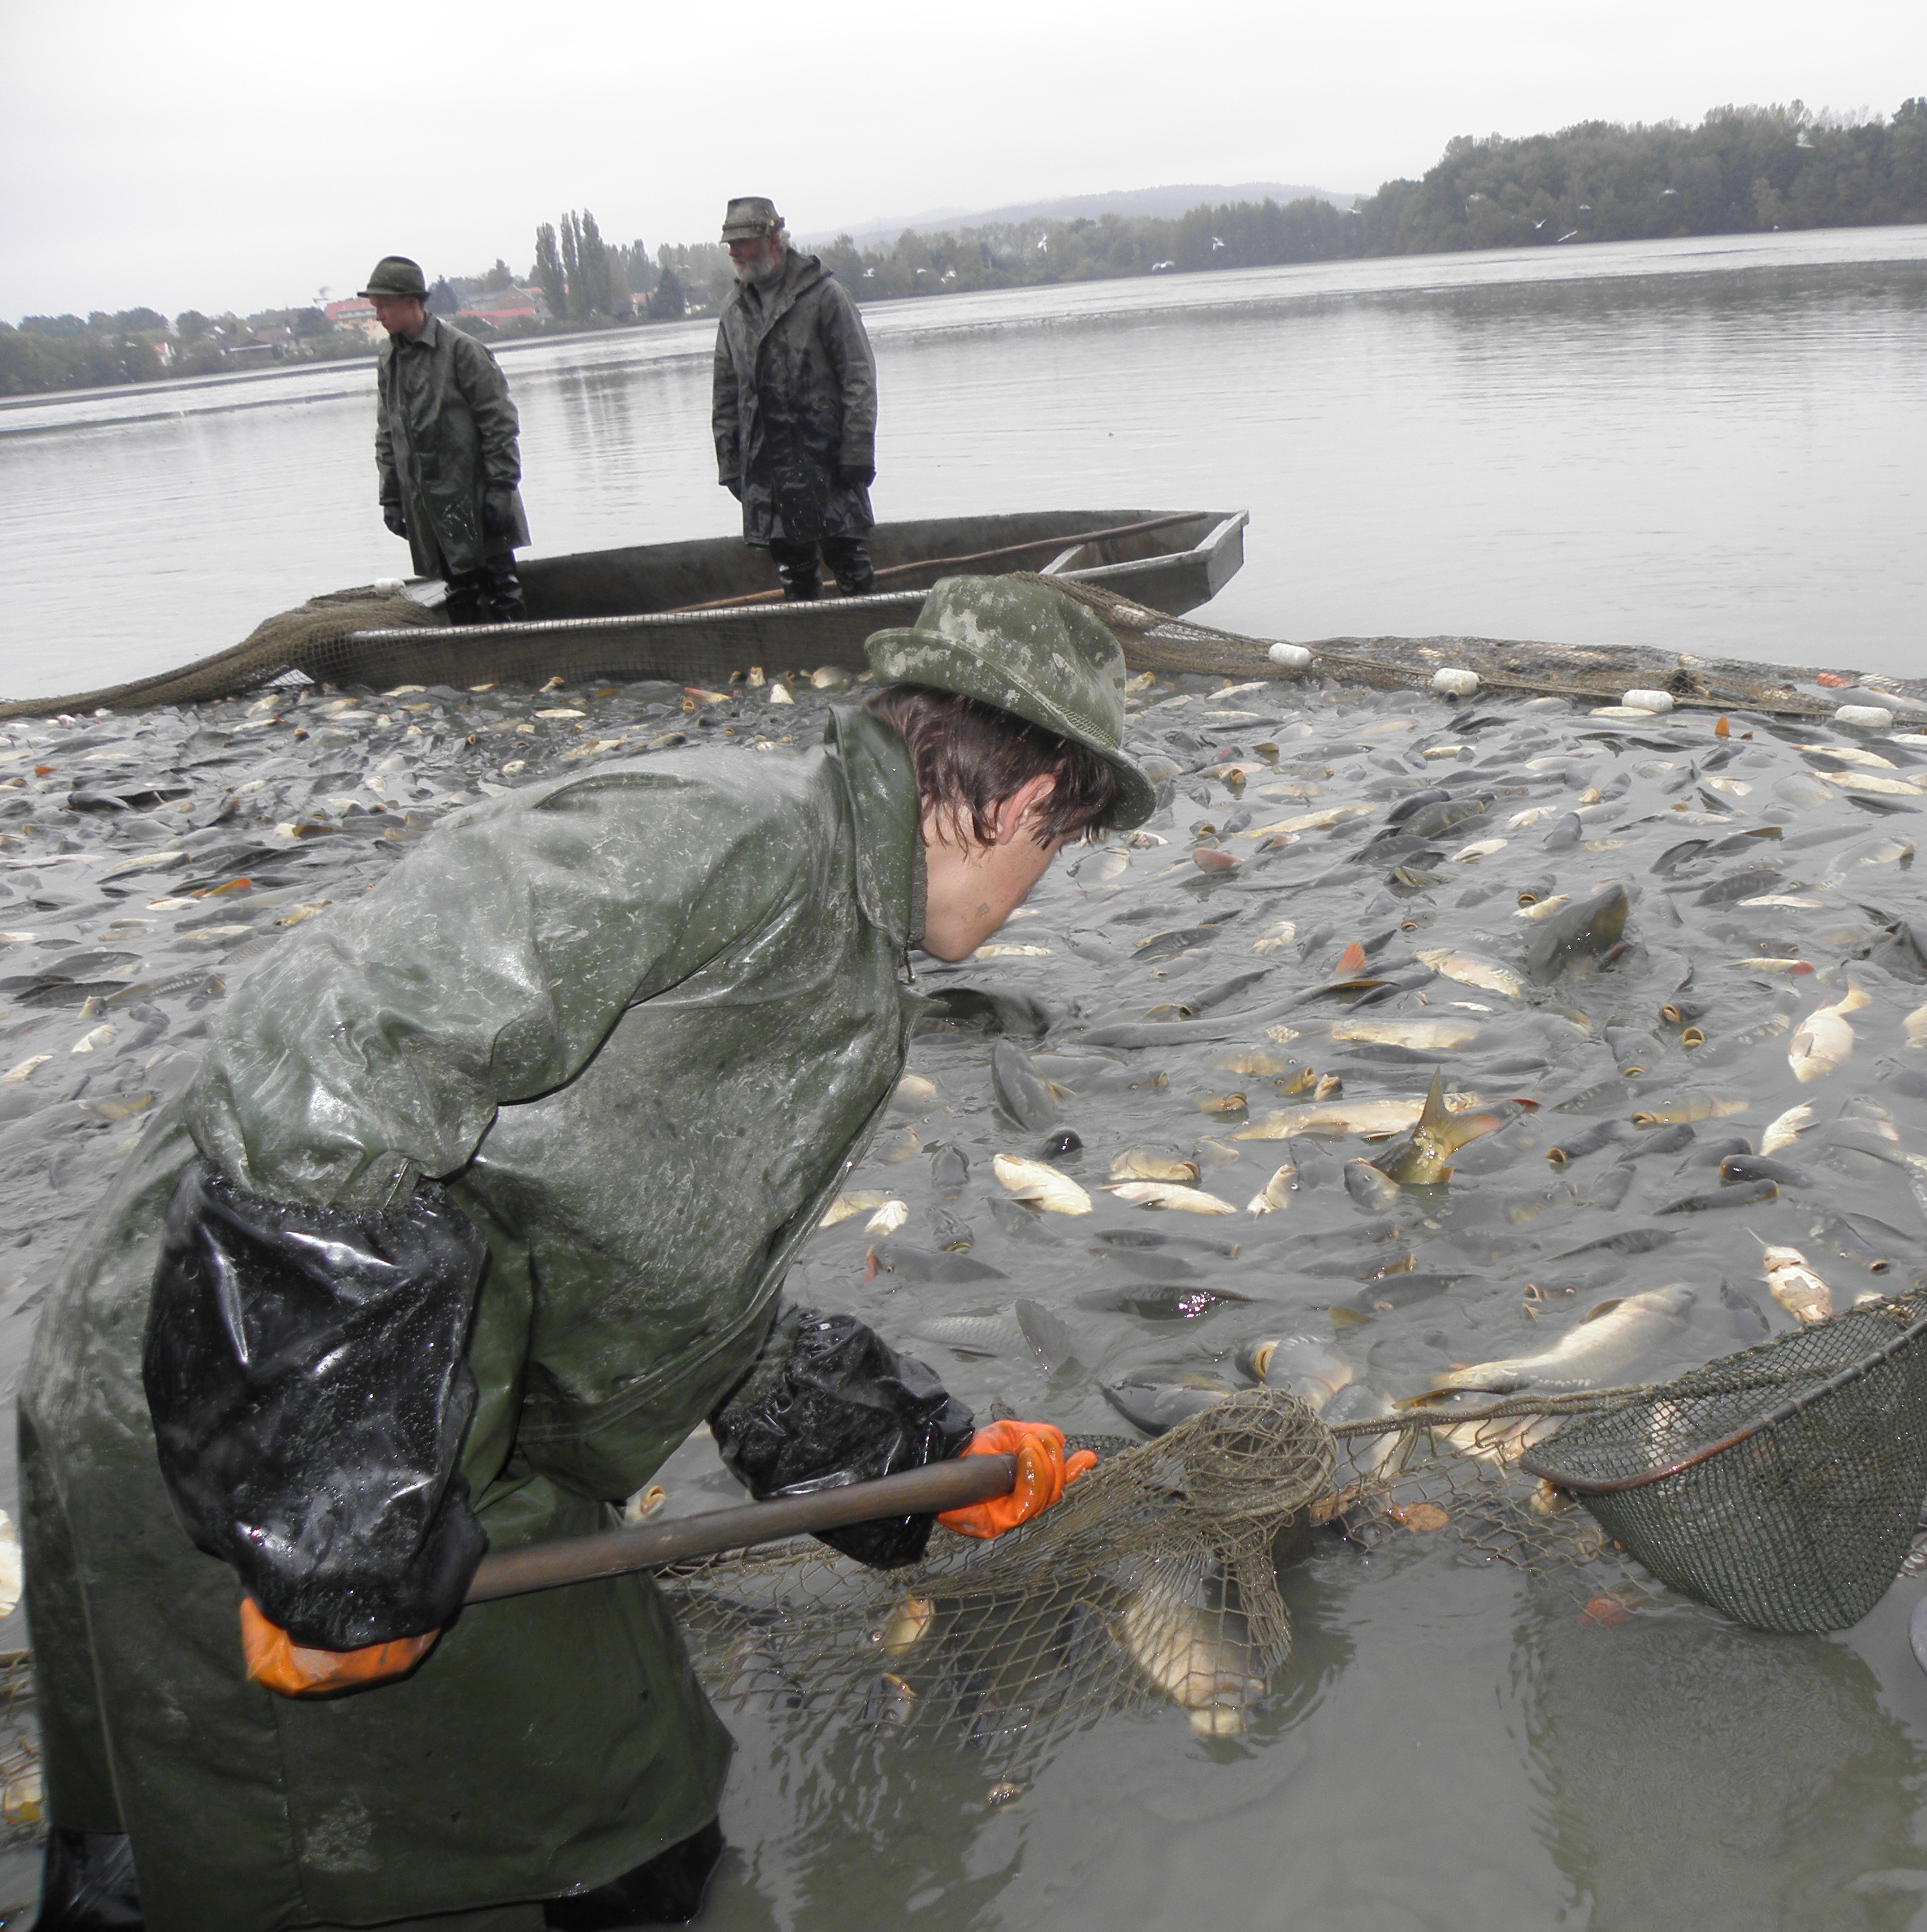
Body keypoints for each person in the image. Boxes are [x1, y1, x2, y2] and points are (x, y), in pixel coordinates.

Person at [18, 576, 1157, 1929]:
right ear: (1031, 807)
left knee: (642, 1821)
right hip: (225, 1408)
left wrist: (911, 1466)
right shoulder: (723, 836)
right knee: (221, 1860)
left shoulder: (832, 933)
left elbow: (682, 1287)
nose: (1037, 888)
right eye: (1061, 847)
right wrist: (330, 1509)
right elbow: (322, 1054)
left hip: (439, 1425)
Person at [710, 197, 879, 601]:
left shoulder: (826, 296)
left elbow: (859, 378)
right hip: (766, 467)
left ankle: (868, 643)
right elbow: (725, 395)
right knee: (793, 570)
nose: (733, 251)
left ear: (772, 240)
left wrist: (857, 451)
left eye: (742, 242)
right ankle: (809, 655)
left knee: (848, 558)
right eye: (729, 244)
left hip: (828, 459)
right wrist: (732, 464)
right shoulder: (733, 309)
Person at [366, 254, 531, 626]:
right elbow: (387, 436)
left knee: (501, 585)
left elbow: (499, 421)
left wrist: (501, 486)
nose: (379, 316)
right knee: (457, 591)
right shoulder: (388, 359)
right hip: (427, 506)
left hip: (476, 494)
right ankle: (472, 667)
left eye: (384, 306)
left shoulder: (462, 350)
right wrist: (391, 498)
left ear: (412, 302)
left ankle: (521, 661)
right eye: (375, 307)